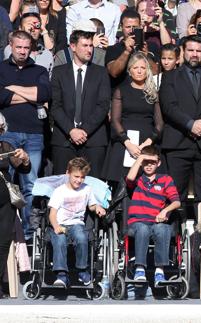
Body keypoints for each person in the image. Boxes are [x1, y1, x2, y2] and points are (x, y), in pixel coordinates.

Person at [0, 30, 51, 239]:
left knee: (30, 185)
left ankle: (29, 235)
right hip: (7, 133)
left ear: (32, 48)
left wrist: (12, 89)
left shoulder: (39, 69)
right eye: (18, 47)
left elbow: (44, 94)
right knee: (7, 184)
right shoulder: (1, 68)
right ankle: (9, 231)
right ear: (10, 46)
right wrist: (29, 95)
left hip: (34, 134)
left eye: (26, 48)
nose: (22, 51)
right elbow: (0, 97)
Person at [160, 35, 201, 207]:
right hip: (178, 143)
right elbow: (168, 107)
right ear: (183, 52)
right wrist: (190, 124)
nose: (194, 54)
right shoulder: (170, 77)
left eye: (199, 51)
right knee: (175, 195)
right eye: (191, 50)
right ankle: (174, 233)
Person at [50, 26, 110, 178]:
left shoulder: (101, 72)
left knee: (93, 188)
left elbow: (103, 106)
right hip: (64, 138)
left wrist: (84, 131)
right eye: (85, 45)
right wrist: (71, 130)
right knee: (62, 186)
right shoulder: (59, 72)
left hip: (93, 139)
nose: (89, 49)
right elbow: (55, 106)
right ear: (73, 47)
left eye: (91, 45)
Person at [102, 52, 164, 186]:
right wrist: (128, 143)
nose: (140, 71)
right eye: (136, 68)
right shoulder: (120, 90)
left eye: (143, 68)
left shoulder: (153, 93)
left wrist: (147, 143)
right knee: (121, 184)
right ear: (130, 71)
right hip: (124, 142)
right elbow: (115, 120)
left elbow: (159, 124)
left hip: (147, 142)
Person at [125, 145, 181, 286]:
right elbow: (130, 177)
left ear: (159, 163)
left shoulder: (165, 179)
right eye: (146, 162)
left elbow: (176, 202)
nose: (149, 165)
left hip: (156, 221)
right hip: (137, 222)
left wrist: (165, 211)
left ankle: (159, 272)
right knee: (143, 229)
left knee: (163, 229)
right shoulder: (138, 179)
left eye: (153, 162)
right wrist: (141, 158)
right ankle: (139, 269)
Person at [48, 157, 106, 287]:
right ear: (68, 173)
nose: (79, 180)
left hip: (76, 224)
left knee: (81, 236)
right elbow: (52, 214)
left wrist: (97, 207)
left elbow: (91, 205)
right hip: (60, 224)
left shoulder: (87, 189)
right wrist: (56, 226)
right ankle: (61, 274)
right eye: (76, 176)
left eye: (82, 177)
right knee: (60, 240)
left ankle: (82, 270)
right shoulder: (60, 191)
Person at [0, 114, 30, 298]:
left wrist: (25, 159)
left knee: (2, 242)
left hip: (6, 201)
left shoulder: (5, 146)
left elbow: (23, 168)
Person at [105, 9, 158, 90]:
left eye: (135, 27)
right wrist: (127, 52)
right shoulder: (113, 49)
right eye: (128, 27)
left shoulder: (151, 46)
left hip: (146, 95)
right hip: (121, 97)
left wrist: (146, 56)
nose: (131, 30)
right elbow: (114, 72)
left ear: (141, 26)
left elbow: (156, 72)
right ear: (121, 27)